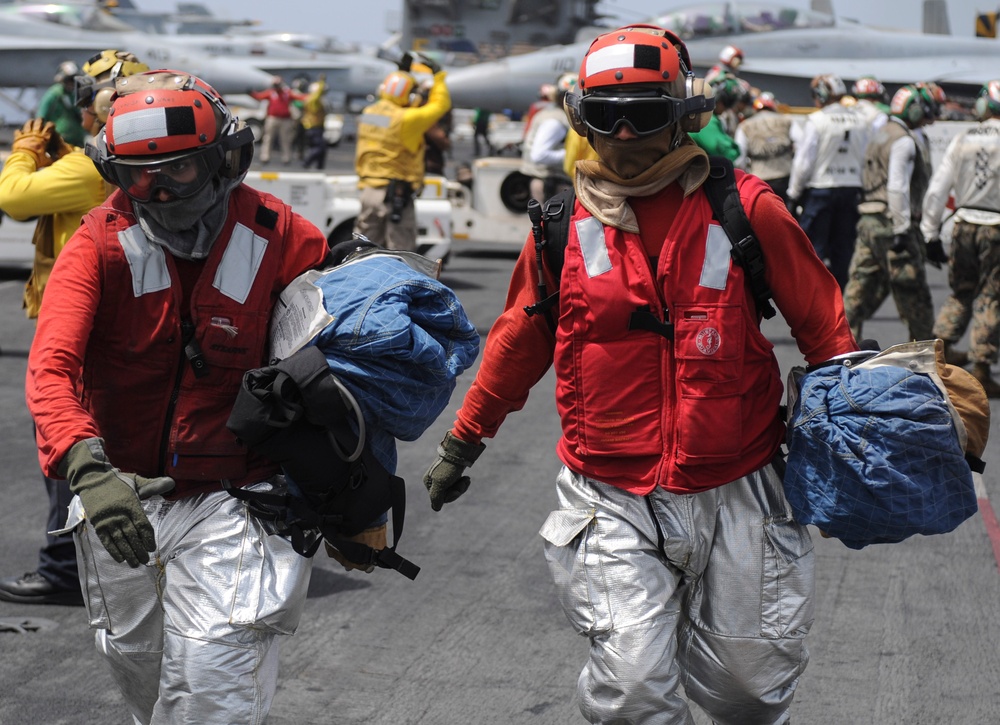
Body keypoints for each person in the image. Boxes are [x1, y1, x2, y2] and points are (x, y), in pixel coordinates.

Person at [422, 24, 858, 725]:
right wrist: (463, 440)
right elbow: (517, 341)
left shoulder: (747, 210)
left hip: (736, 479)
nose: (624, 135)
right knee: (631, 692)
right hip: (607, 490)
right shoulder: (558, 227)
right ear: (580, 120)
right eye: (606, 116)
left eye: (645, 115)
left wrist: (864, 442)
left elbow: (826, 330)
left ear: (683, 113)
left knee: (748, 693)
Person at [26, 69, 331, 723]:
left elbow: (350, 360)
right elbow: (51, 370)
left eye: (178, 172)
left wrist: (354, 486)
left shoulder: (282, 235)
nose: (157, 192)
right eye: (137, 177)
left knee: (210, 696)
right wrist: (90, 470)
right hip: (122, 498)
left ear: (225, 161)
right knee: (143, 676)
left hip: (236, 498)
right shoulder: (98, 245)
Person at [0, 49, 148, 608]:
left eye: (89, 101)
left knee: (64, 437)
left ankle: (63, 569)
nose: (83, 110)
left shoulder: (91, 167)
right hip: (113, 318)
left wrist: (24, 152)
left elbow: (10, 198)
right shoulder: (124, 162)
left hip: (78, 319)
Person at [920, 79, 1000, 396]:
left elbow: (938, 189)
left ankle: (940, 351)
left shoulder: (964, 138)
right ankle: (981, 365)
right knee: (991, 295)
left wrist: (930, 233)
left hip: (964, 223)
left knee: (961, 291)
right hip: (995, 226)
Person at [843, 84, 938, 344]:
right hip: (891, 222)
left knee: (858, 289)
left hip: (869, 220)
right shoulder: (904, 140)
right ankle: (927, 353)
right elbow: (897, 187)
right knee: (913, 292)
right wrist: (902, 228)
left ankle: (842, 347)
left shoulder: (880, 133)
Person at [354, 53, 450, 251]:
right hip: (396, 193)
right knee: (400, 252)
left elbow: (395, 94)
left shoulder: (369, 114)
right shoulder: (406, 120)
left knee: (363, 251)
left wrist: (402, 73)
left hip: (369, 191)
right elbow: (440, 105)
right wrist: (438, 76)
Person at [788, 73, 872, 289]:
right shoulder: (861, 121)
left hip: (821, 190)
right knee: (843, 251)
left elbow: (804, 162)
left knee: (813, 250)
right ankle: (841, 301)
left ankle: (814, 299)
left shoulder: (817, 120)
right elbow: (865, 158)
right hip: (851, 189)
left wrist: (793, 193)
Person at [520, 72, 576, 204]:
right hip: (551, 184)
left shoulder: (551, 114)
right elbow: (539, 155)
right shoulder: (555, 121)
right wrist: (572, 155)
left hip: (546, 181)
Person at [734, 91, 795, 201]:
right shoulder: (787, 120)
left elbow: (739, 158)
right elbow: (802, 147)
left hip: (759, 179)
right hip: (784, 177)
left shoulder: (745, 126)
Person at [251, 75, 306, 165]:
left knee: (285, 139)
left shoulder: (287, 93)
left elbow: (298, 97)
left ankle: (286, 157)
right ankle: (265, 156)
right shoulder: (271, 93)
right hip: (272, 118)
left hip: (285, 119)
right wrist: (252, 93)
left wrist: (308, 96)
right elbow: (259, 96)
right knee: (268, 138)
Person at [689, 72, 742, 162]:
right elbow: (728, 153)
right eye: (726, 102)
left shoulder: (702, 116)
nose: (726, 108)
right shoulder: (705, 120)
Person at [36, 60, 86, 147]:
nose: (72, 83)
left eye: (74, 80)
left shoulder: (75, 95)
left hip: (77, 143)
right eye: (69, 80)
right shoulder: (53, 94)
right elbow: (41, 118)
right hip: (58, 144)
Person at [301, 76, 328, 170]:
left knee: (322, 149)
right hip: (314, 127)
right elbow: (318, 93)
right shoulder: (313, 100)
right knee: (319, 147)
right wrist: (321, 82)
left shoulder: (311, 99)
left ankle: (319, 166)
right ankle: (307, 162)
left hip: (316, 127)